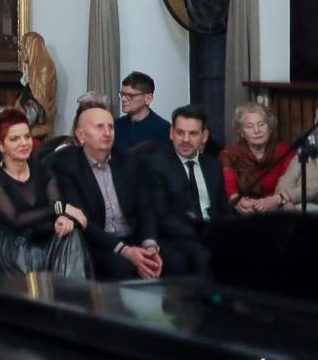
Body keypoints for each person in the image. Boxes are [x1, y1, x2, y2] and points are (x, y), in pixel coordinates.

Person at [0, 109, 91, 276]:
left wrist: (62, 217)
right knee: (40, 246)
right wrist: (60, 211)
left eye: (27, 136)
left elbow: (56, 202)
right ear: (0, 145)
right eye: (14, 139)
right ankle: (52, 297)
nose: (24, 143)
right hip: (9, 246)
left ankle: (71, 297)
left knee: (70, 234)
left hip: (40, 235)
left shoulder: (43, 171)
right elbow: (16, 220)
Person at [53, 103, 163, 280]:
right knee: (123, 268)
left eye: (110, 127)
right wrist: (125, 251)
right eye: (99, 127)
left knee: (172, 262)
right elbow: (83, 220)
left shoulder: (130, 162)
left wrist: (150, 246)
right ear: (80, 135)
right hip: (99, 244)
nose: (107, 133)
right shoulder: (68, 167)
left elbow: (146, 208)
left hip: (134, 238)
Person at [142, 104, 231, 277]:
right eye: (180, 132)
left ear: (204, 137)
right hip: (177, 236)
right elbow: (161, 215)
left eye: (193, 133)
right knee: (204, 256)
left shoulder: (213, 166)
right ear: (171, 133)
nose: (185, 139)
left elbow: (223, 207)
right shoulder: (156, 165)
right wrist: (203, 234)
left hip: (213, 233)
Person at [222, 103, 295, 214]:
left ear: (270, 128)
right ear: (241, 132)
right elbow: (229, 186)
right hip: (243, 210)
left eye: (261, 124)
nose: (257, 131)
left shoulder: (284, 152)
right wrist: (238, 202)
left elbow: (289, 186)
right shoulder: (230, 154)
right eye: (249, 127)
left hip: (276, 208)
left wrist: (275, 202)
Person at [114, 71, 172, 155]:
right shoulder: (116, 125)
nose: (123, 99)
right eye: (122, 94)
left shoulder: (163, 129)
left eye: (130, 95)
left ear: (148, 98)